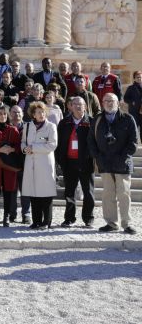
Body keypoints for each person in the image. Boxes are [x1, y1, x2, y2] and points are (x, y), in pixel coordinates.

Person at [88, 93, 138, 234]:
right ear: (102, 103)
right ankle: (111, 223)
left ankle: (126, 224)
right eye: (106, 101)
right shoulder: (98, 119)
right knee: (108, 194)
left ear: (118, 103)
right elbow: (91, 140)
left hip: (123, 163)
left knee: (124, 194)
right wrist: (97, 157)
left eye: (112, 101)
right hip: (104, 163)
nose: (109, 103)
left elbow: (133, 142)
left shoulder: (128, 119)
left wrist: (123, 157)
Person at [56, 97, 95, 228]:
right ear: (70, 106)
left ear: (85, 106)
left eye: (80, 104)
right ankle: (69, 218)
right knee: (69, 192)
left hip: (86, 162)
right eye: (75, 104)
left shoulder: (91, 122)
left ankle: (88, 218)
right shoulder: (64, 123)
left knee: (88, 192)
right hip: (69, 162)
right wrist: (60, 160)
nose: (78, 106)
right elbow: (59, 143)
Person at [20, 101, 58, 229]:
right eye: (38, 112)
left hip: (45, 164)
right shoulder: (28, 126)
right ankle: (36, 221)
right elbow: (23, 142)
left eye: (43, 112)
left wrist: (33, 147)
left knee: (46, 194)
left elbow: (52, 144)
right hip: (31, 163)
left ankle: (46, 222)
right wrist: (24, 149)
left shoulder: (51, 127)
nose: (41, 114)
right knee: (33, 193)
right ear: (33, 114)